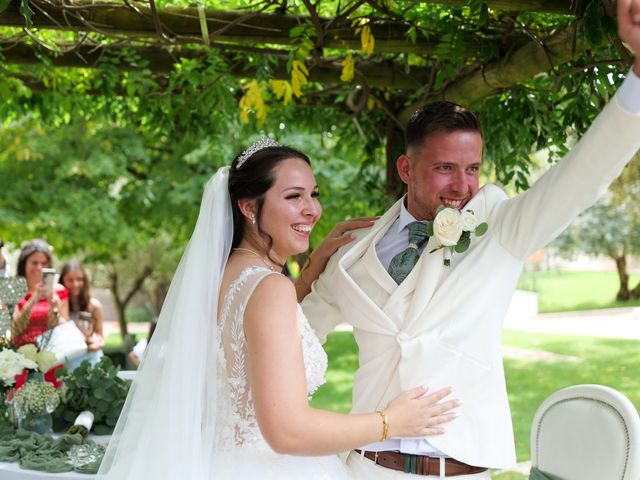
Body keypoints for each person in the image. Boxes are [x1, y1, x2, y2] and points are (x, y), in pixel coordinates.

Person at [301, 2, 640, 478]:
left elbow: (581, 177)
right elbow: (292, 342)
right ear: (406, 169)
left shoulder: (500, 228)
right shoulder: (352, 252)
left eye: (473, 168)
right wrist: (311, 266)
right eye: (445, 168)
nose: (463, 186)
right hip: (365, 467)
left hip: (460, 470)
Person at [97, 141, 460, 480]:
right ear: (249, 206)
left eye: (313, 195)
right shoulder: (270, 288)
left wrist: (314, 264)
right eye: (293, 196)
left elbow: (255, 328)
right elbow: (287, 431)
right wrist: (391, 422)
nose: (312, 209)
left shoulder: (223, 276)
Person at [12, 239, 70, 347]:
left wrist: (55, 308)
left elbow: (63, 329)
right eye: (34, 263)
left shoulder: (59, 291)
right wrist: (33, 299)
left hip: (52, 355)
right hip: (22, 357)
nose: (39, 267)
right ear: (24, 264)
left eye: (44, 263)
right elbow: (16, 330)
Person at [59, 260, 105, 369]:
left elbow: (101, 338)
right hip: (68, 361)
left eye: (79, 279)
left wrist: (92, 344)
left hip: (92, 360)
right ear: (63, 281)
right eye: (70, 280)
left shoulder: (94, 306)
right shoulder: (59, 306)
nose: (75, 284)